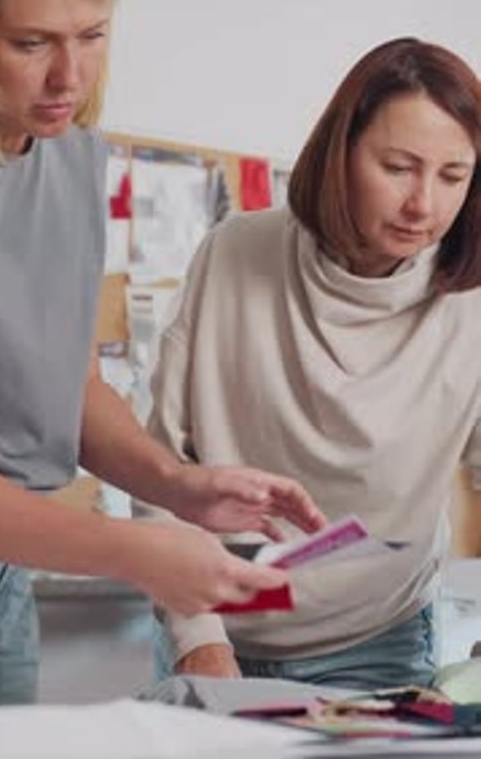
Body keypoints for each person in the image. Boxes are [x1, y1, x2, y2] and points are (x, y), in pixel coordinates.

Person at [0, 0, 326, 706]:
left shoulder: (71, 154)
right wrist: (133, 552)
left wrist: (173, 484)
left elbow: (70, 382)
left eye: (91, 35)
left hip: (3, 581)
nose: (69, 74)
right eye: (33, 43)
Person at [146, 36, 481, 690]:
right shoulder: (235, 256)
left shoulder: (470, 302)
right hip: (216, 631)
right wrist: (199, 645)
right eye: (398, 167)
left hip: (380, 645)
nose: (424, 205)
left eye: (452, 176)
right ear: (340, 154)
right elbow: (157, 468)